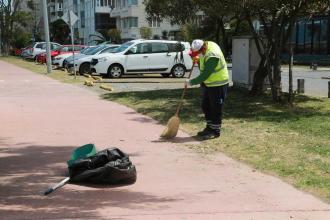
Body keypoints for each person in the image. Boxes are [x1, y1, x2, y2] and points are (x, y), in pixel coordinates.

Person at [185, 39, 229, 140]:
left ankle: (215, 131)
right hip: (208, 83)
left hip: (218, 83)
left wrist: (191, 82)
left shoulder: (212, 55)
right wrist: (195, 59)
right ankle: (209, 127)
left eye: (197, 53)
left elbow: (205, 74)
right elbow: (201, 62)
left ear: (202, 48)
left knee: (216, 107)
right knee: (205, 106)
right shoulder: (205, 47)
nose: (196, 54)